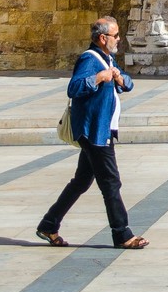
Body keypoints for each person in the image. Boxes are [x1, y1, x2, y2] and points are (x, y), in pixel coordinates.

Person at [36, 15, 148, 249]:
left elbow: (128, 83)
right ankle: (122, 234)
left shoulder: (108, 58)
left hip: (100, 130)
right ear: (102, 38)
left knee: (81, 181)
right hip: (94, 132)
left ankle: (48, 224)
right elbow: (74, 88)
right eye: (115, 35)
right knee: (111, 183)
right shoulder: (90, 59)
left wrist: (119, 78)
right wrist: (98, 78)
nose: (119, 39)